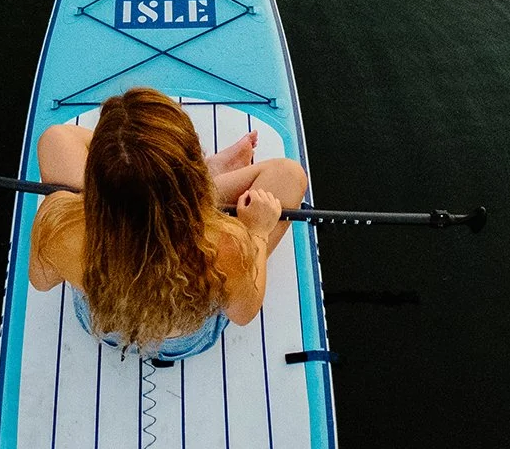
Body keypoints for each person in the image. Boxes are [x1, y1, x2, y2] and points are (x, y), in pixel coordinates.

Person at [27, 86, 308, 360]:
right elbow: (243, 312)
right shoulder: (226, 242)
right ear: (193, 173)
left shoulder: (58, 220)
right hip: (183, 340)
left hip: (104, 322)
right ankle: (191, 178)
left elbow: (41, 282)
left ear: (94, 178)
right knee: (289, 175)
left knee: (55, 138)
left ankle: (146, 175)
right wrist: (257, 232)